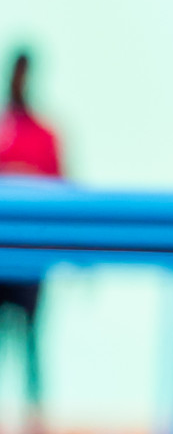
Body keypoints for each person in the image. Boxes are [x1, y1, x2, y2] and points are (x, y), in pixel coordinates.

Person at [0, 50, 66, 423]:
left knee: (30, 346)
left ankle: (35, 421)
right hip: (1, 256)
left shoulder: (45, 135)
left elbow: (63, 193)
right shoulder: (2, 130)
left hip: (31, 261)